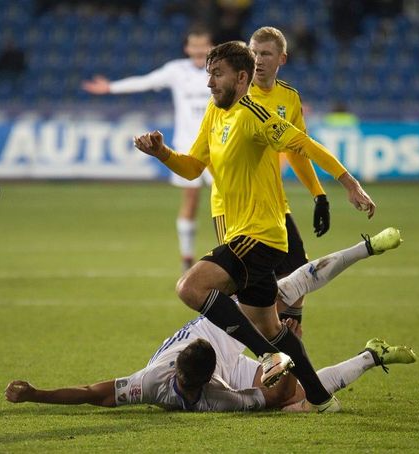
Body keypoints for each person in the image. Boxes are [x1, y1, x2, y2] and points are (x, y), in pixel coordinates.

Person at [133, 41, 379, 412]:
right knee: (271, 327)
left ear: (242, 77)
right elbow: (193, 168)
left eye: (218, 74)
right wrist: (163, 153)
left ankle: (268, 357)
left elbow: (305, 145)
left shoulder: (255, 116)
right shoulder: (215, 115)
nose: (210, 83)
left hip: (260, 235)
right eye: (209, 75)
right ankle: (320, 398)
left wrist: (349, 184)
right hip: (237, 234)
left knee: (191, 286)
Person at [5, 232, 414, 412]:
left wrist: (36, 394)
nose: (179, 387)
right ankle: (370, 355)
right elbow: (94, 393)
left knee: (285, 295)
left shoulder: (168, 388)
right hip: (226, 353)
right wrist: (283, 368)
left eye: (184, 384)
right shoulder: (168, 382)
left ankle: (365, 250)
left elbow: (95, 392)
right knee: (293, 398)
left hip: (221, 322)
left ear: (197, 379)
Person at [210, 27, 329, 325]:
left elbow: (298, 150)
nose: (258, 60)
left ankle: (289, 329)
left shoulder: (288, 97)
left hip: (273, 203)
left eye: (265, 54)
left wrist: (319, 194)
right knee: (239, 282)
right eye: (253, 53)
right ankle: (238, 348)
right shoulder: (233, 95)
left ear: (282, 59)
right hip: (234, 206)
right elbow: (212, 152)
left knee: (298, 269)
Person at [82, 26, 214, 272]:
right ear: (187, 48)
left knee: (227, 200)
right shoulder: (177, 71)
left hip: (219, 145)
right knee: (191, 200)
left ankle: (231, 252)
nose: (198, 50)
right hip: (188, 147)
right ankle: (187, 256)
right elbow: (145, 81)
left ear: (211, 46)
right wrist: (111, 88)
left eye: (202, 45)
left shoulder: (220, 69)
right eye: (193, 45)